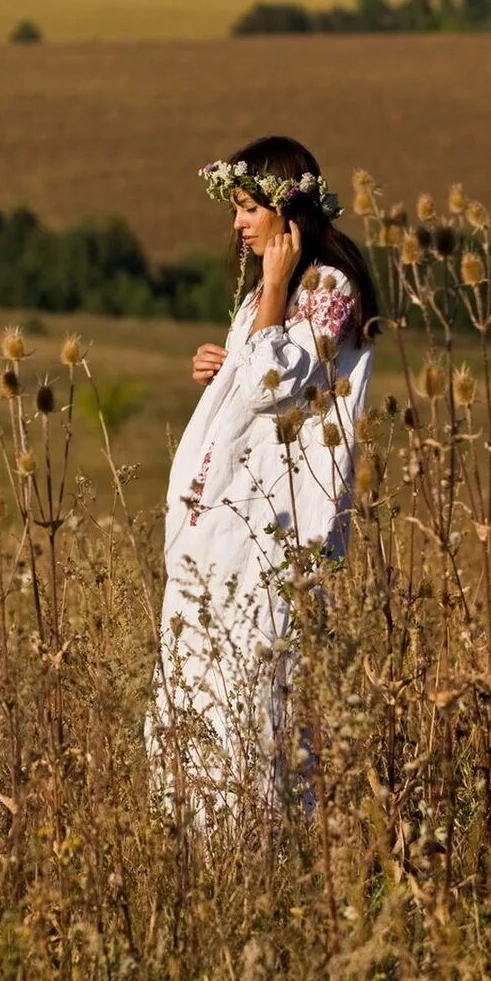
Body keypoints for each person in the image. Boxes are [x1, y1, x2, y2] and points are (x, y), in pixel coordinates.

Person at [146, 135, 380, 831]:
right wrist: (220, 363)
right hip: (226, 521)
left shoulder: (327, 292)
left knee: (253, 692)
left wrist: (273, 296)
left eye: (250, 208)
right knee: (198, 686)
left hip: (272, 534)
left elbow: (269, 384)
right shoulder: (263, 297)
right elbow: (249, 378)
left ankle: (258, 854)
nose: (239, 224)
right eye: (238, 210)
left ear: (290, 212)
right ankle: (194, 846)